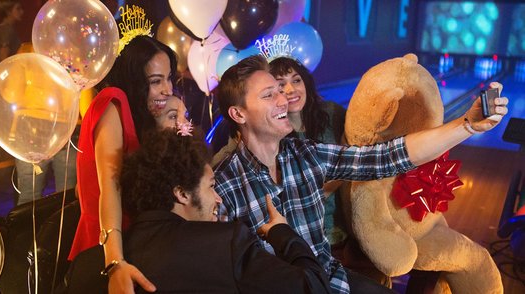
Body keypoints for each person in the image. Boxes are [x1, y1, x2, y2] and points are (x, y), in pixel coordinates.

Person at [213, 54, 509, 293]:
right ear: (238, 114)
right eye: (269, 95)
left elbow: (387, 157)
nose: (283, 99)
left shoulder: (306, 153)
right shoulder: (223, 184)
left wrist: (466, 125)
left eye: (280, 90)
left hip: (331, 281)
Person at [60, 128, 332, 293]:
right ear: (182, 193)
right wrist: (283, 234)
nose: (218, 198)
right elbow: (313, 288)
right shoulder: (225, 244)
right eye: (211, 186)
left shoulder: (86, 267)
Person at [68, 35, 186, 294]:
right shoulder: (112, 100)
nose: (167, 90)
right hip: (108, 248)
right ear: (134, 81)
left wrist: (174, 124)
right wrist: (115, 264)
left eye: (169, 79)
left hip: (140, 243)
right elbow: (110, 187)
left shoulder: (142, 115)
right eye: (156, 81)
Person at [212, 56, 348, 245]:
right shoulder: (226, 180)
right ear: (238, 114)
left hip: (336, 238)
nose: (286, 94)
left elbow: (375, 156)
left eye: (296, 80)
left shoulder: (324, 123)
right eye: (272, 92)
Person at [0, 0, 23, 65]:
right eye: (18, 9)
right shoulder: (7, 29)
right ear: (8, 11)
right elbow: (3, 55)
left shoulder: (0, 28)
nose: (22, 12)